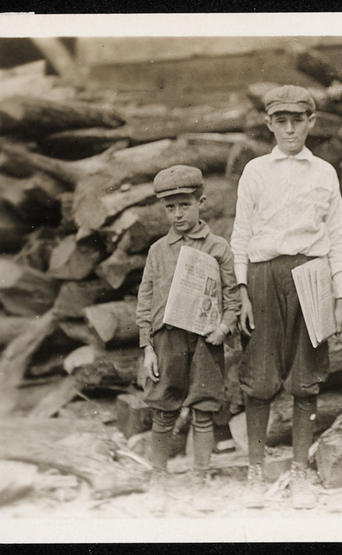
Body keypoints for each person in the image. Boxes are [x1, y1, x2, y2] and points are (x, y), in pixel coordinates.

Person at [230, 85, 342, 510]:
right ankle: (255, 470)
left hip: (311, 276)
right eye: (280, 120)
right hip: (264, 276)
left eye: (297, 120)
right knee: (260, 378)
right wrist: (241, 290)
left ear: (311, 123)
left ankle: (300, 471)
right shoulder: (256, 171)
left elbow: (337, 236)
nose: (289, 128)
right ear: (269, 124)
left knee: (306, 378)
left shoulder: (324, 173)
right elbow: (241, 234)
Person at [135, 165, 241, 484]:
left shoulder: (218, 247)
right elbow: (146, 297)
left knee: (203, 408)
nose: (178, 214)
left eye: (185, 205)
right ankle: (159, 475)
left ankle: (200, 475)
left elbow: (232, 294)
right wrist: (147, 347)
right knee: (164, 408)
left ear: (201, 202)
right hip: (167, 340)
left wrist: (223, 328)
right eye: (170, 208)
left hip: (206, 341)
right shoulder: (158, 251)